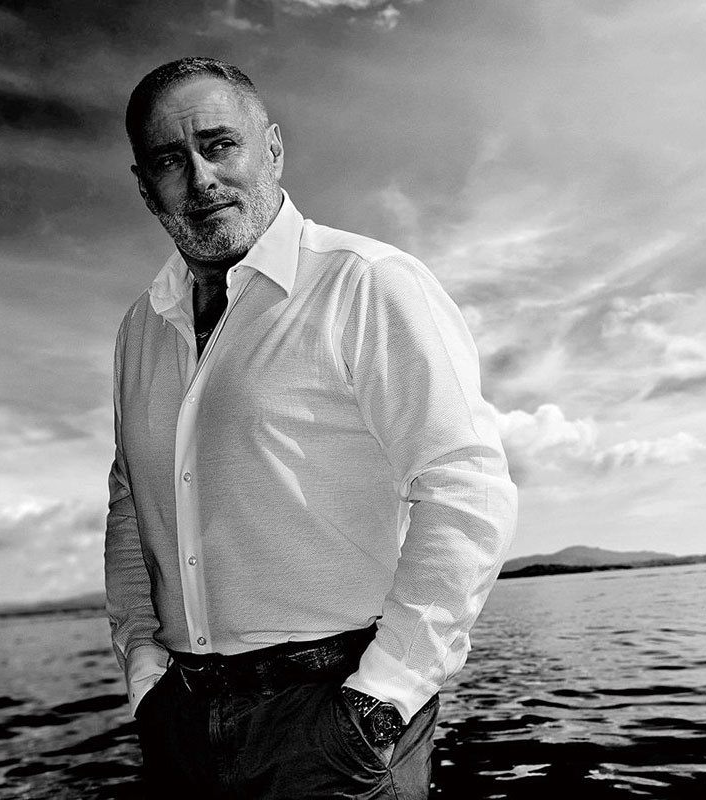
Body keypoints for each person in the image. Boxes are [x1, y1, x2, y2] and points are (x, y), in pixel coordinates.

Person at [105, 56, 517, 800]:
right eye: (170, 160)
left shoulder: (367, 281)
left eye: (220, 145)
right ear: (144, 186)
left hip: (336, 716)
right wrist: (143, 671)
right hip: (181, 726)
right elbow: (131, 504)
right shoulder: (140, 329)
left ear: (272, 149)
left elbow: (465, 486)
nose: (201, 178)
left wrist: (384, 696)